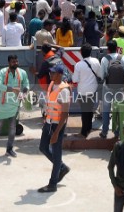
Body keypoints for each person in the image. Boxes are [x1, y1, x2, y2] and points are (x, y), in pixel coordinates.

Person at [39, 64, 73, 193]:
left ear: (59, 74)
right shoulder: (52, 85)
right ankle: (62, 167)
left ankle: (52, 184)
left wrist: (56, 133)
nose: (50, 75)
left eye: (53, 73)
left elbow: (65, 114)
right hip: (48, 123)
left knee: (56, 153)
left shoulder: (64, 90)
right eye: (50, 73)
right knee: (43, 147)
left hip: (57, 125)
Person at [0, 53, 29, 158]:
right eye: (13, 62)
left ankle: (9, 149)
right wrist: (12, 89)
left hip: (15, 105)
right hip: (3, 105)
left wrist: (25, 93)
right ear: (9, 62)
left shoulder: (22, 73)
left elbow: (26, 84)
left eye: (17, 61)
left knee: (12, 128)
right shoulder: (3, 72)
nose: (16, 63)